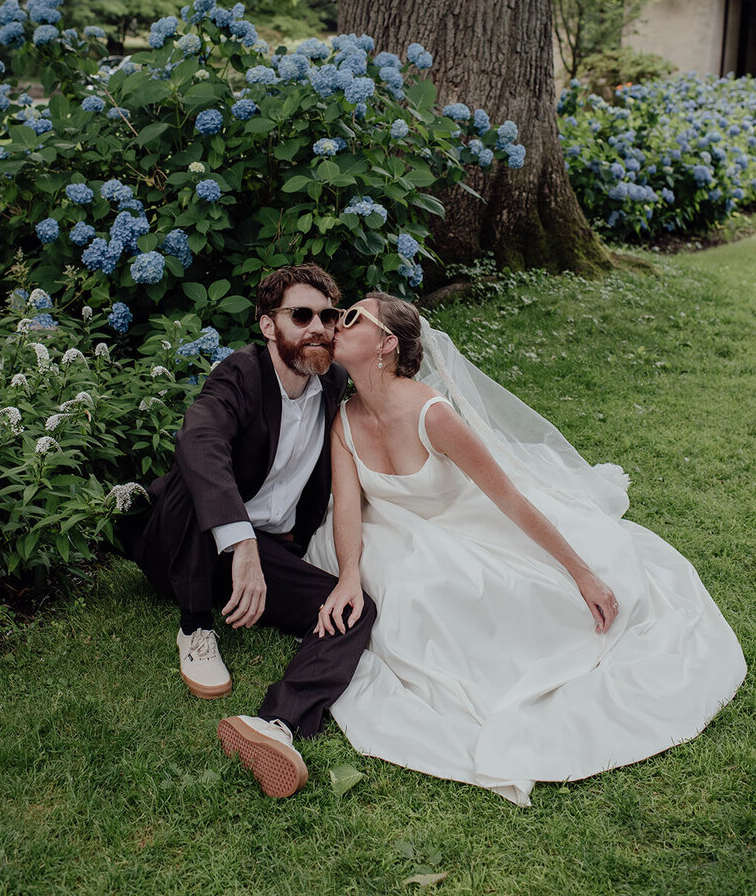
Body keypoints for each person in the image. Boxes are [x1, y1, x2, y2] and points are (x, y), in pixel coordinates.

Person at [306, 293, 746, 807]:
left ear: (386, 343)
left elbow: (509, 499)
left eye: (351, 316)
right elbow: (346, 509)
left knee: (517, 598)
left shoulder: (433, 413)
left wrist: (581, 572)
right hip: (400, 531)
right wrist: (349, 573)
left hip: (476, 524)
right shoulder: (343, 420)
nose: (335, 323)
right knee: (405, 590)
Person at [120, 264, 376, 798]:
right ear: (267, 325)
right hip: (187, 545)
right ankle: (195, 627)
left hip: (266, 552)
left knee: (352, 608)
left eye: (328, 316)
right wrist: (239, 541)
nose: (318, 327)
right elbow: (200, 439)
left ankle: (275, 724)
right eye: (300, 315)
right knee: (196, 475)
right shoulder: (240, 373)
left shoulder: (332, 381)